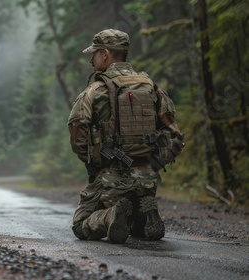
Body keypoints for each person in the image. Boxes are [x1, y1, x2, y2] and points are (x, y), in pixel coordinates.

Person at [67, 29, 184, 244]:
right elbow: (175, 133)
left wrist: (96, 164)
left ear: (105, 54)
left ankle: (112, 214)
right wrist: (154, 163)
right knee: (131, 221)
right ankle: (143, 215)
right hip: (148, 178)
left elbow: (77, 134)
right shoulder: (151, 87)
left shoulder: (95, 91)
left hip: (111, 179)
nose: (91, 60)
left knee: (80, 225)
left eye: (93, 54)